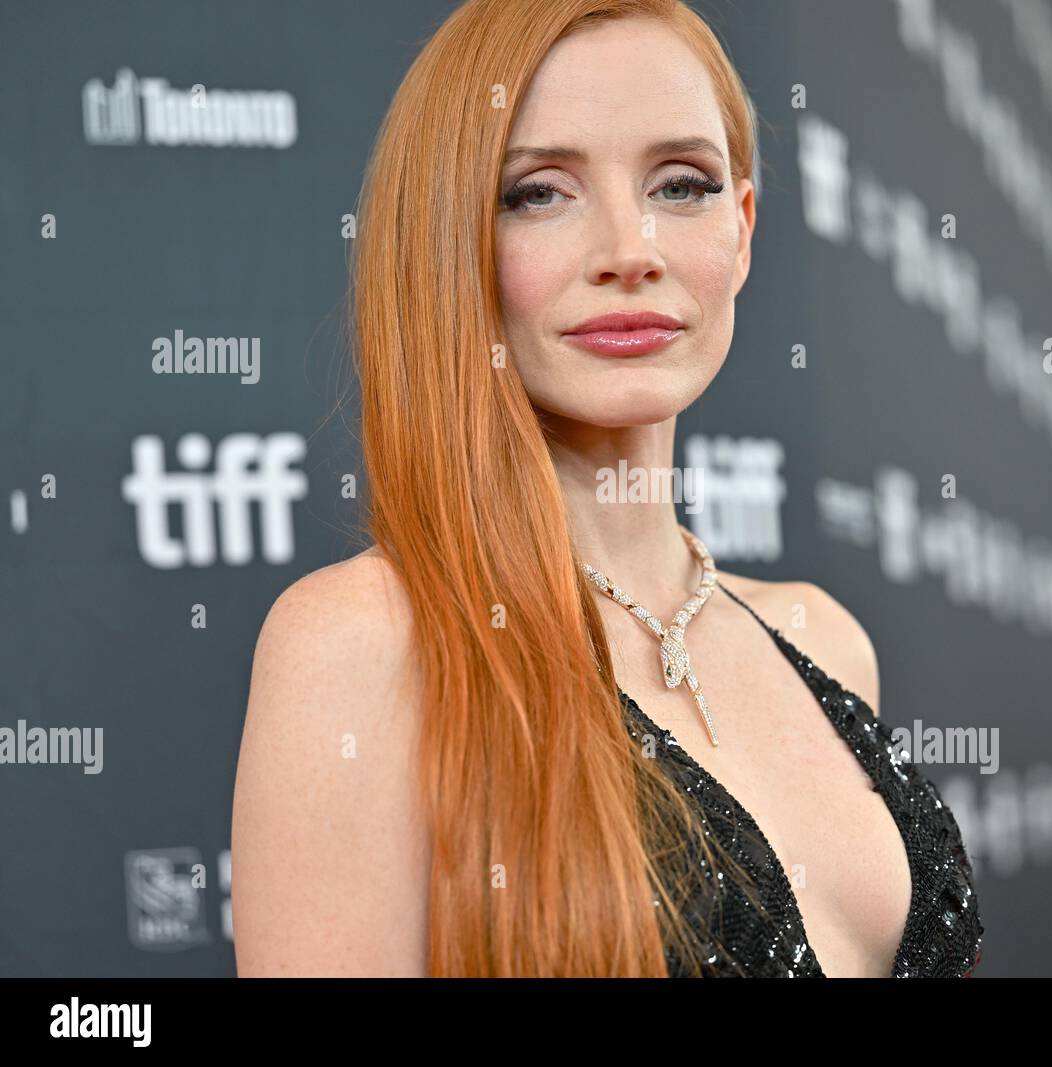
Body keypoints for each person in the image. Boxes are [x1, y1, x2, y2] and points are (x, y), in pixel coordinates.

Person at [231, 0, 982, 978]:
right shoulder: (361, 643)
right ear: (449, 236)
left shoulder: (822, 637)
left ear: (743, 228)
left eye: (682, 184)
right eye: (540, 193)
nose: (631, 248)